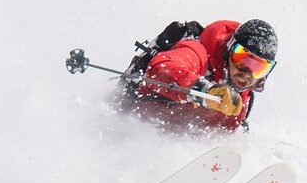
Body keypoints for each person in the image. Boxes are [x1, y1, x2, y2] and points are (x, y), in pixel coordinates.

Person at [117, 19, 278, 132]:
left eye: (259, 68)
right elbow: (162, 67)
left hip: (182, 136)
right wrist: (205, 91)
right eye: (242, 59)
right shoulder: (199, 53)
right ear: (229, 49)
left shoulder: (243, 92)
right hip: (132, 120)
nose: (246, 74)